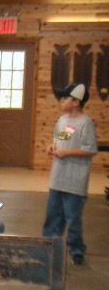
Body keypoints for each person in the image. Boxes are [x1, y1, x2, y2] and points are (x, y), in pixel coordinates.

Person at [42, 83, 97, 265]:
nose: (61, 101)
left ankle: (76, 250)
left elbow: (90, 149)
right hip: (57, 179)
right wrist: (52, 147)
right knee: (52, 216)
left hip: (74, 182)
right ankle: (49, 247)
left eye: (64, 98)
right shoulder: (62, 120)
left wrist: (68, 152)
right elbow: (58, 140)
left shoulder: (85, 122)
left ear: (75, 102)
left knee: (73, 219)